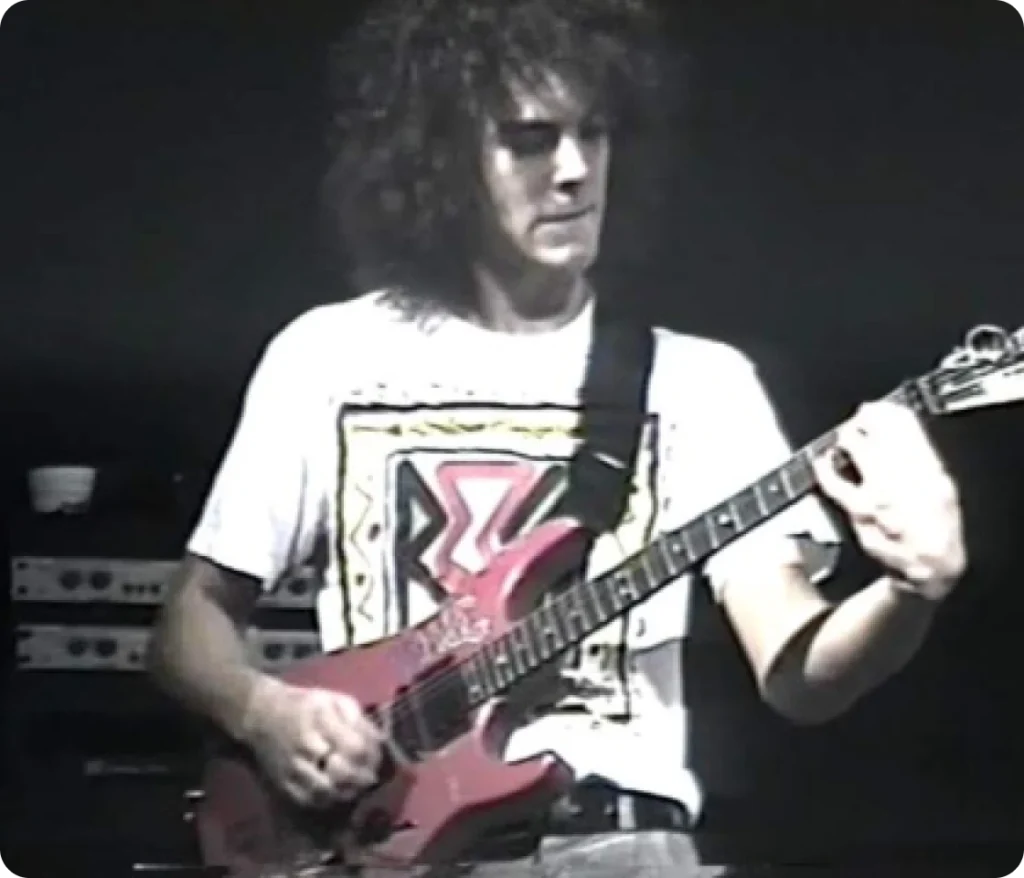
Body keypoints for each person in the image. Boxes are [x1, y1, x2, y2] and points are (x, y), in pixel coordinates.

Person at [147, 0, 967, 875]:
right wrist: (264, 712)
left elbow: (800, 676)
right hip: (378, 843)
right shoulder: (327, 356)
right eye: (530, 140)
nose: (575, 171)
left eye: (594, 133)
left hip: (617, 841)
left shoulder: (700, 384)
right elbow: (188, 624)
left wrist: (908, 592)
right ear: (444, 159)